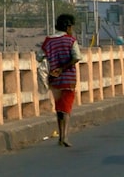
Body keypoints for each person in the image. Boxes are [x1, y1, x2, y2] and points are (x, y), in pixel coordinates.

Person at [42, 13, 82, 147]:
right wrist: (63, 68)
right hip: (68, 79)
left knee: (59, 108)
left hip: (54, 80)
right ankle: (63, 137)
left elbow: (39, 57)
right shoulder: (71, 40)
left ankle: (61, 136)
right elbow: (76, 57)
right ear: (68, 27)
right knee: (66, 109)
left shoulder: (48, 41)